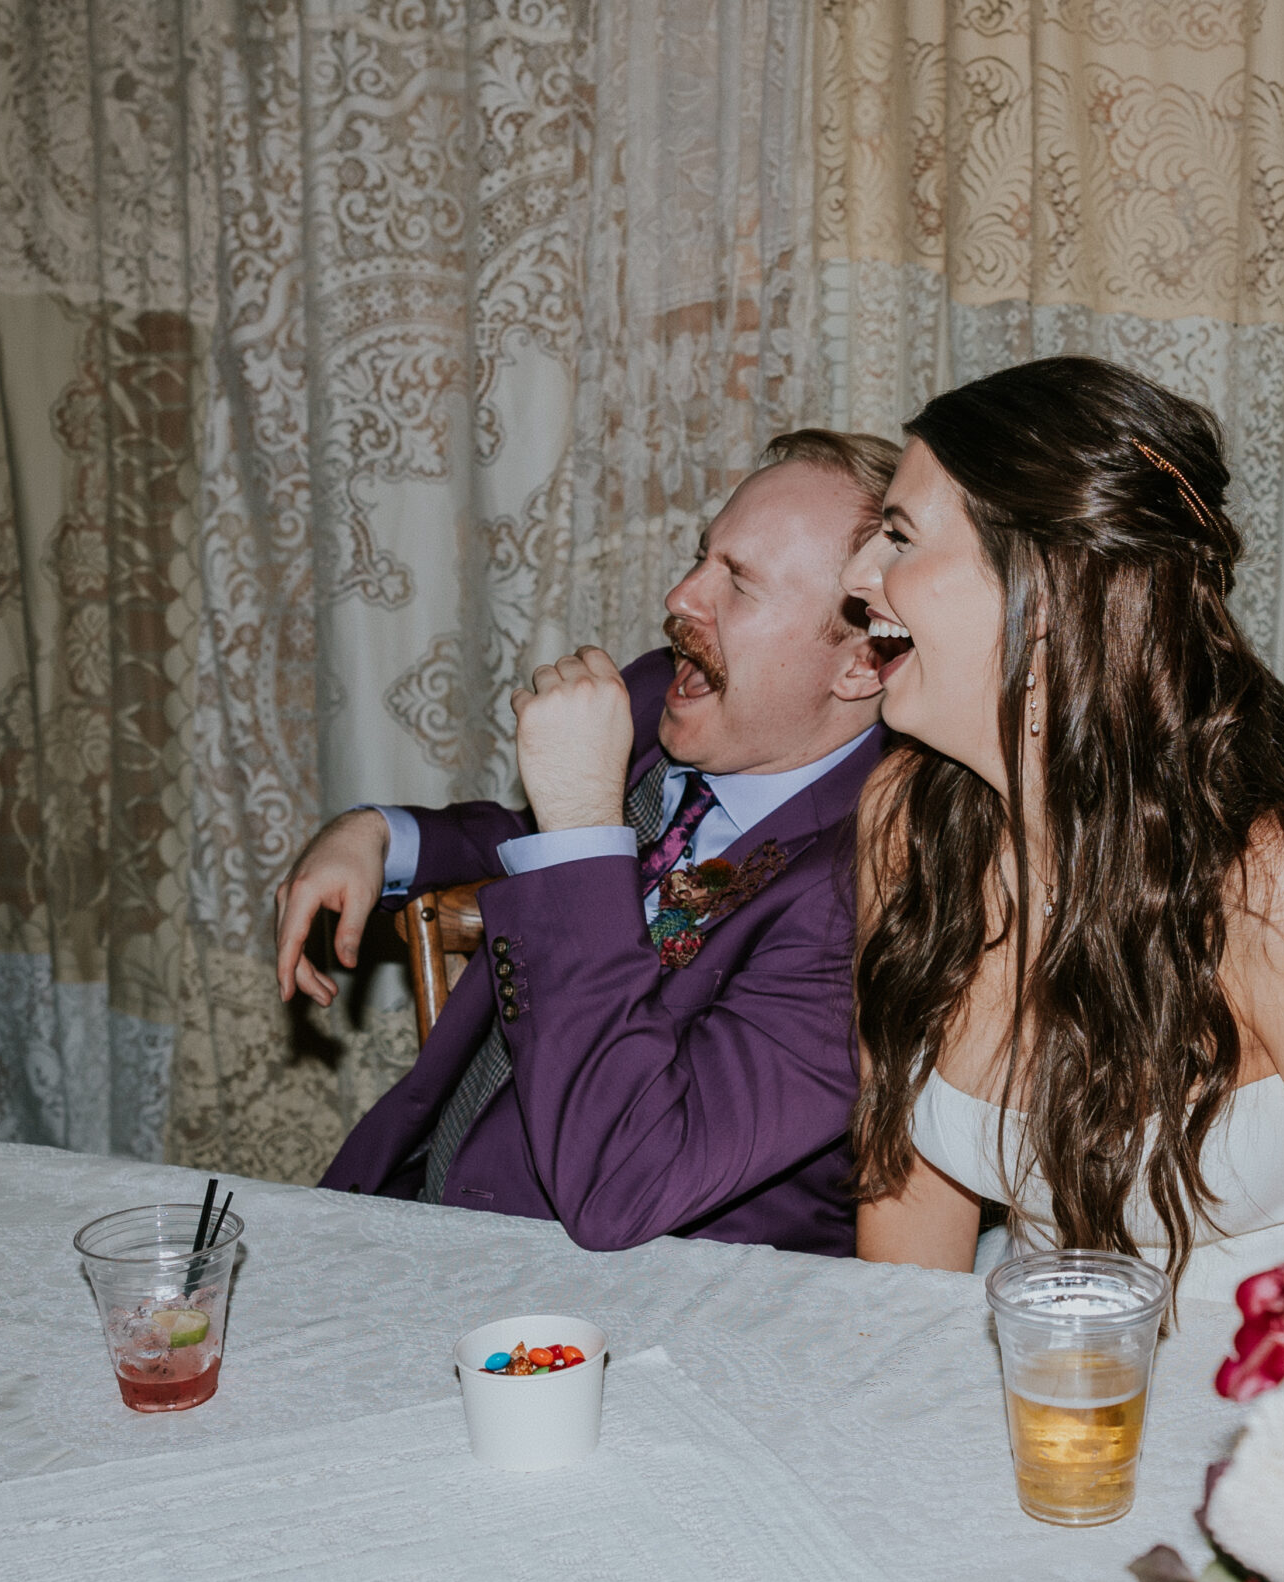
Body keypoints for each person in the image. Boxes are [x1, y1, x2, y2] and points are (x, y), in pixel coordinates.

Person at [839, 357, 1284, 1302]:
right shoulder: (908, 828)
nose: (857, 577)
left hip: (1267, 1417)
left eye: (898, 536)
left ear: (1046, 592)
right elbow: (906, 1257)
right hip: (1038, 1388)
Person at [282, 429, 900, 1256]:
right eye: (702, 557)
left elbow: (629, 1179)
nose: (682, 597)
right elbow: (536, 847)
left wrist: (578, 822)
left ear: (862, 663)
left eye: (740, 584)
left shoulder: (872, 892)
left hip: (653, 1304)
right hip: (429, 1210)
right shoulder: (666, 696)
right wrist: (380, 835)